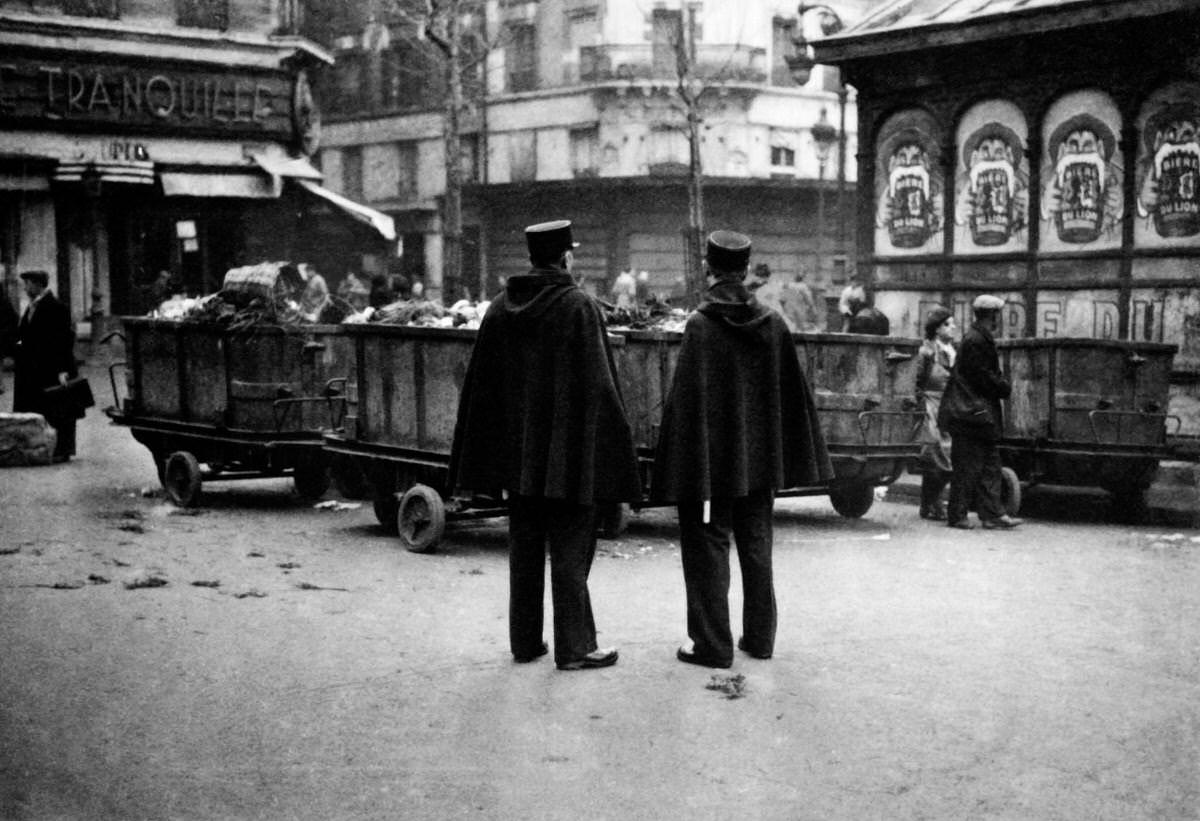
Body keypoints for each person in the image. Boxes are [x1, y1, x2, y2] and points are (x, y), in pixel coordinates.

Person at [450, 219, 642, 671]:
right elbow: (600, 386)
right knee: (572, 549)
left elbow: (481, 387)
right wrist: (616, 453)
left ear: (532, 258)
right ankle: (575, 648)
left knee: (525, 546)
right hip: (569, 455)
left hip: (518, 458)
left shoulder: (499, 308)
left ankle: (525, 642)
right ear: (566, 258)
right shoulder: (579, 307)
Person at [652, 231, 833, 669]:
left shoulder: (700, 326)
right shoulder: (772, 324)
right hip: (759, 462)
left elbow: (686, 403)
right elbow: (791, 399)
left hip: (714, 468)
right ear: (747, 270)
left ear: (708, 270)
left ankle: (712, 646)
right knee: (756, 542)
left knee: (707, 544)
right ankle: (760, 639)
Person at [942, 294, 1023, 530]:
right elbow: (981, 376)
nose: (998, 320)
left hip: (976, 416)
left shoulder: (977, 337)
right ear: (992, 316)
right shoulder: (976, 340)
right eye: (997, 315)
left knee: (990, 465)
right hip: (972, 415)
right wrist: (1002, 386)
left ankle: (992, 514)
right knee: (968, 466)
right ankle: (958, 515)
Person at [12, 270, 77, 462]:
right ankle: (40, 449)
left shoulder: (56, 308)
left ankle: (62, 450)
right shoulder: (32, 307)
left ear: (38, 284)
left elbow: (64, 340)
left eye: (28, 284)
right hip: (33, 369)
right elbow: (25, 335)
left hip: (51, 367)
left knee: (58, 409)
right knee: (40, 409)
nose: (25, 288)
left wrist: (63, 370)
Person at [915, 307, 956, 520]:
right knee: (936, 455)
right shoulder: (927, 352)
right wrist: (920, 405)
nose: (953, 327)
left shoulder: (952, 351)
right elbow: (916, 382)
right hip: (931, 405)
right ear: (937, 328)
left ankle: (930, 504)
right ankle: (933, 503)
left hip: (950, 406)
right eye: (948, 324)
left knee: (948, 456)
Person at [779, 269, 821, 333]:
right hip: (798, 313)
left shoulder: (789, 286)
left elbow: (782, 299)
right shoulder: (803, 286)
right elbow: (809, 300)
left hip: (790, 312)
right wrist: (814, 310)